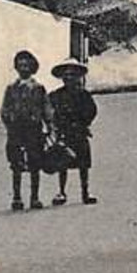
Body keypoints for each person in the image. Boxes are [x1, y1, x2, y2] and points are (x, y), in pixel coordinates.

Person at [0, 50, 49, 211]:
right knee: (16, 164)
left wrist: (49, 127)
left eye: (26, 65)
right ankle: (17, 197)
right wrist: (9, 122)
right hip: (16, 131)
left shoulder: (39, 88)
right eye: (20, 65)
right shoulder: (11, 88)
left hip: (33, 130)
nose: (23, 68)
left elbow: (46, 109)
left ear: (32, 67)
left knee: (35, 163)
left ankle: (34, 198)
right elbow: (5, 109)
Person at [49, 59, 99, 206]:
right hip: (63, 133)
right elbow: (49, 111)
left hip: (80, 132)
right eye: (66, 75)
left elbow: (92, 111)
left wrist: (84, 123)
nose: (69, 78)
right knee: (62, 163)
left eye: (72, 74)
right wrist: (55, 125)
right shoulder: (56, 95)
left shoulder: (84, 95)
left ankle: (85, 192)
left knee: (83, 163)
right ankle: (62, 192)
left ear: (78, 76)